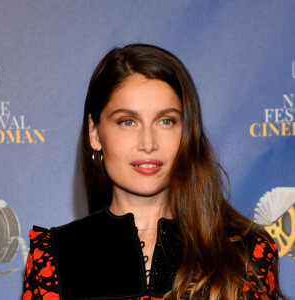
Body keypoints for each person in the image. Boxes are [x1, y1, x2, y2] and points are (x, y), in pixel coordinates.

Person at [22, 44, 286, 300]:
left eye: (166, 121)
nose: (148, 143)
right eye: (127, 121)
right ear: (95, 133)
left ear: (186, 133)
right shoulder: (53, 256)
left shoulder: (245, 252)